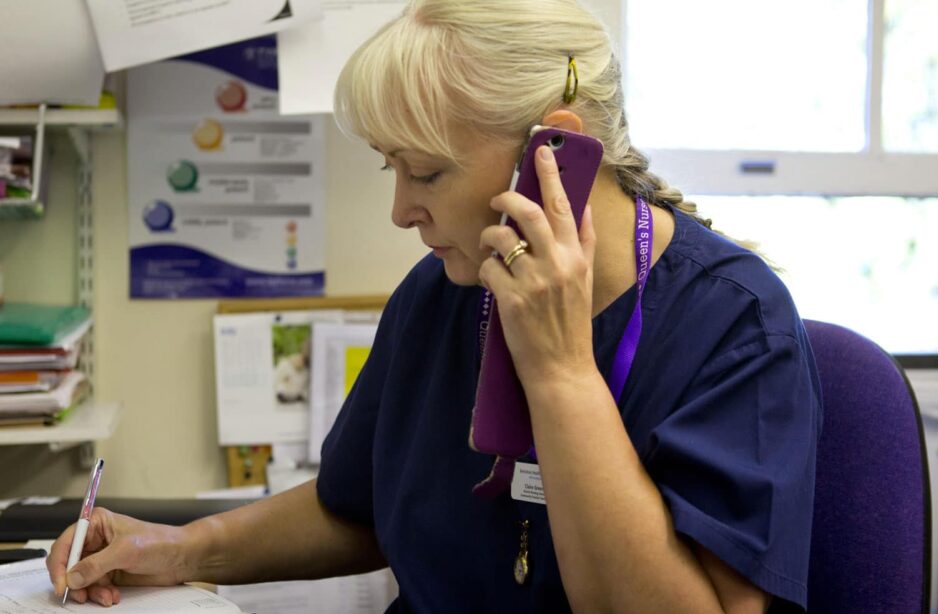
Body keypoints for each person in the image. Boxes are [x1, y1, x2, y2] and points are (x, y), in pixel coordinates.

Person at [47, 0, 821, 611]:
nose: (399, 210)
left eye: (424, 173)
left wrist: (560, 374)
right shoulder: (447, 291)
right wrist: (181, 548)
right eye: (391, 169)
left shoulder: (735, 324)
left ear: (550, 150)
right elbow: (355, 510)